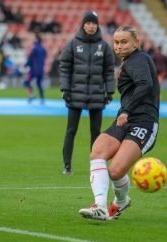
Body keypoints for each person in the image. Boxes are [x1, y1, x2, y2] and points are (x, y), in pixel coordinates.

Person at [78, 25, 160, 220]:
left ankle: (120, 201)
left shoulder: (139, 59)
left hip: (144, 122)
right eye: (116, 42)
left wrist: (126, 110)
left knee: (115, 171)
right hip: (126, 119)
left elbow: (145, 84)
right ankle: (100, 205)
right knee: (98, 150)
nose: (119, 46)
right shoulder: (130, 61)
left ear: (136, 43)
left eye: (124, 42)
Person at [60, 11, 115, 175]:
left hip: (97, 95)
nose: (91, 26)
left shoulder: (104, 46)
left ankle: (95, 166)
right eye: (88, 23)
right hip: (75, 94)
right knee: (71, 131)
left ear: (97, 25)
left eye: (94, 23)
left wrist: (110, 91)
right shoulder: (73, 44)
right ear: (83, 25)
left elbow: (109, 71)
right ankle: (67, 166)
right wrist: (65, 89)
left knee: (96, 133)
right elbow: (65, 67)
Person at [23, 33, 47, 104]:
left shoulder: (34, 48)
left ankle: (32, 94)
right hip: (41, 70)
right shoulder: (43, 49)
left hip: (33, 70)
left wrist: (25, 65)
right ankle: (42, 99)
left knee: (26, 82)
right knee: (39, 84)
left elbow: (30, 58)